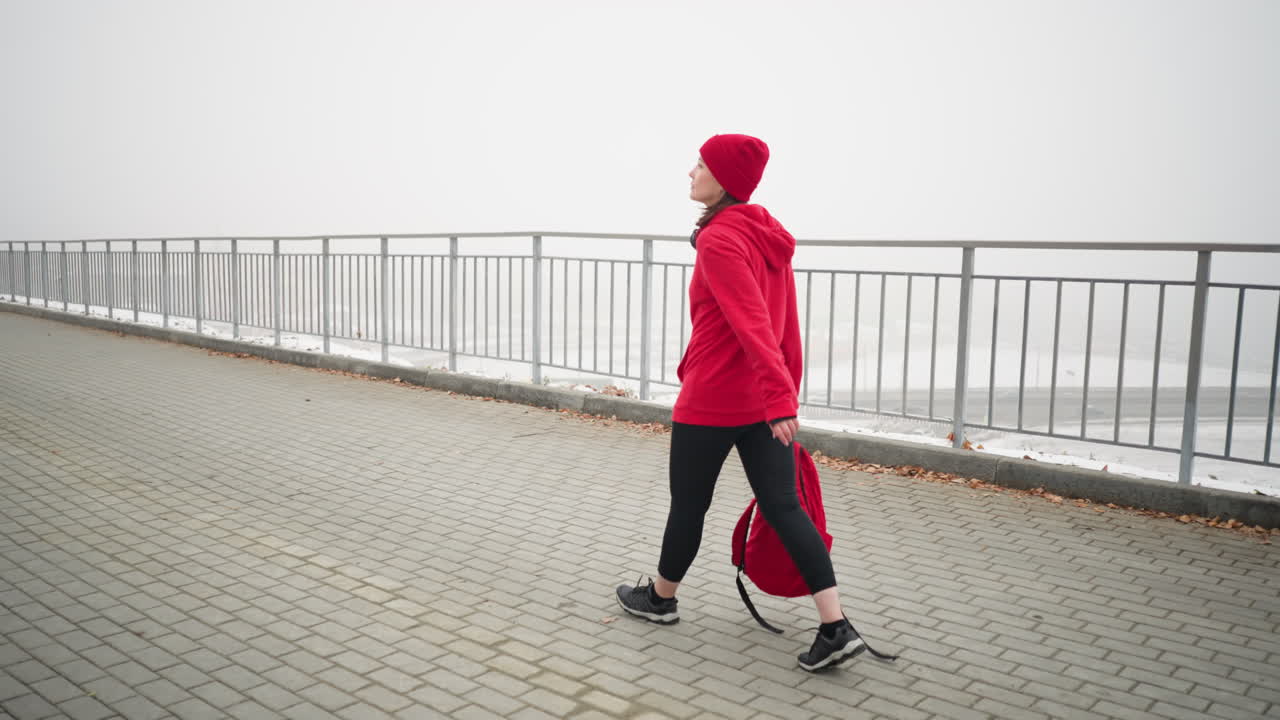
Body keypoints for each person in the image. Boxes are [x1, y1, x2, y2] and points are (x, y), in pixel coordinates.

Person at [616, 133, 869, 671]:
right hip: (762, 401)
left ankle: (661, 600)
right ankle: (834, 625)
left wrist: (782, 399)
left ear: (724, 179)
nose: (690, 172)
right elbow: (786, 328)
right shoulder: (764, 235)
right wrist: (782, 395)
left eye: (700, 164)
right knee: (783, 507)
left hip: (716, 399)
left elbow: (753, 323)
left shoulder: (720, 240)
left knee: (689, 505)